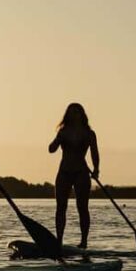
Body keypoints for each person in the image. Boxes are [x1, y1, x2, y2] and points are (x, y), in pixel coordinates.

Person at [49, 103, 99, 249]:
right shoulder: (63, 132)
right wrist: (58, 139)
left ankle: (84, 241)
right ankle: (59, 241)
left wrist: (96, 169)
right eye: (72, 112)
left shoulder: (89, 134)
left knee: (82, 207)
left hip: (81, 173)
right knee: (61, 207)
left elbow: (94, 153)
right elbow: (51, 149)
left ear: (82, 115)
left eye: (77, 112)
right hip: (64, 172)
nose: (75, 115)